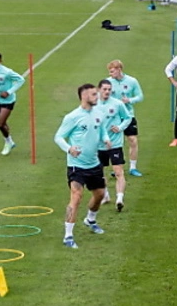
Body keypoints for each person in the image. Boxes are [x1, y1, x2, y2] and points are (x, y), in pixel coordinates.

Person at [54, 84, 109, 248]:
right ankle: (68, 236)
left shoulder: (99, 113)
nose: (97, 96)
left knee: (100, 194)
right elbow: (58, 137)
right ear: (84, 96)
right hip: (76, 166)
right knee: (76, 197)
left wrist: (106, 139)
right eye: (93, 94)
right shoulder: (72, 117)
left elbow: (102, 130)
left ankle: (90, 219)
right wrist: (69, 149)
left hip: (94, 164)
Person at [106, 60, 144, 177]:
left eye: (112, 71)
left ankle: (133, 167)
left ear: (119, 69)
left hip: (128, 115)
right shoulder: (107, 82)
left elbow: (140, 96)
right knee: (115, 143)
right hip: (114, 117)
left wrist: (129, 100)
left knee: (132, 140)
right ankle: (117, 168)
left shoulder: (132, 81)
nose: (110, 74)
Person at [95, 79, 128, 212]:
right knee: (100, 172)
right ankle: (106, 194)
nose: (107, 92)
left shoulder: (118, 104)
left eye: (109, 89)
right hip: (99, 145)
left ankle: (119, 198)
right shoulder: (93, 104)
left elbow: (127, 118)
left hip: (115, 144)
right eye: (105, 89)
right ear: (99, 90)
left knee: (118, 171)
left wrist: (120, 127)